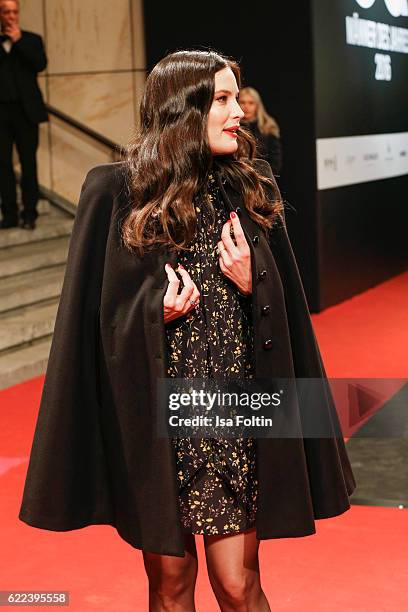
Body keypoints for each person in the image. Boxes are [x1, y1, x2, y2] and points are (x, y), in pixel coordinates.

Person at [19, 50, 356, 611]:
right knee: (171, 588)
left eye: (235, 98)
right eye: (221, 100)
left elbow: (286, 310)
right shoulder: (116, 192)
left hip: (230, 412)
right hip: (157, 422)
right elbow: (92, 321)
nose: (238, 112)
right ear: (183, 110)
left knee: (237, 584)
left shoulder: (249, 184)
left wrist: (253, 284)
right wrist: (156, 312)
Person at [0, 0, 48, 230]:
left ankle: (30, 213)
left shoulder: (31, 40)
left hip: (26, 113)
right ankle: (9, 214)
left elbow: (40, 64)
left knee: (29, 163)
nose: (10, 16)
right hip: (1, 113)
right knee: (3, 165)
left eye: (14, 11)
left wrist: (18, 41)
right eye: (6, 12)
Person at [239, 86, 282, 177]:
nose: (246, 106)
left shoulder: (268, 127)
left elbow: (275, 160)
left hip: (263, 178)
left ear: (257, 105)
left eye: (251, 103)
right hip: (238, 176)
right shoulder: (232, 127)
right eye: (243, 102)